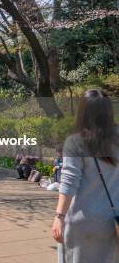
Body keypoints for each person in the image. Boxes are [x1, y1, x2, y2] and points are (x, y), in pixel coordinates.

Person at [51, 89, 118, 263]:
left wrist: (59, 217)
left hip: (83, 223)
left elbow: (69, 182)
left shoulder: (76, 142)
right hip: (113, 223)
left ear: (83, 112)